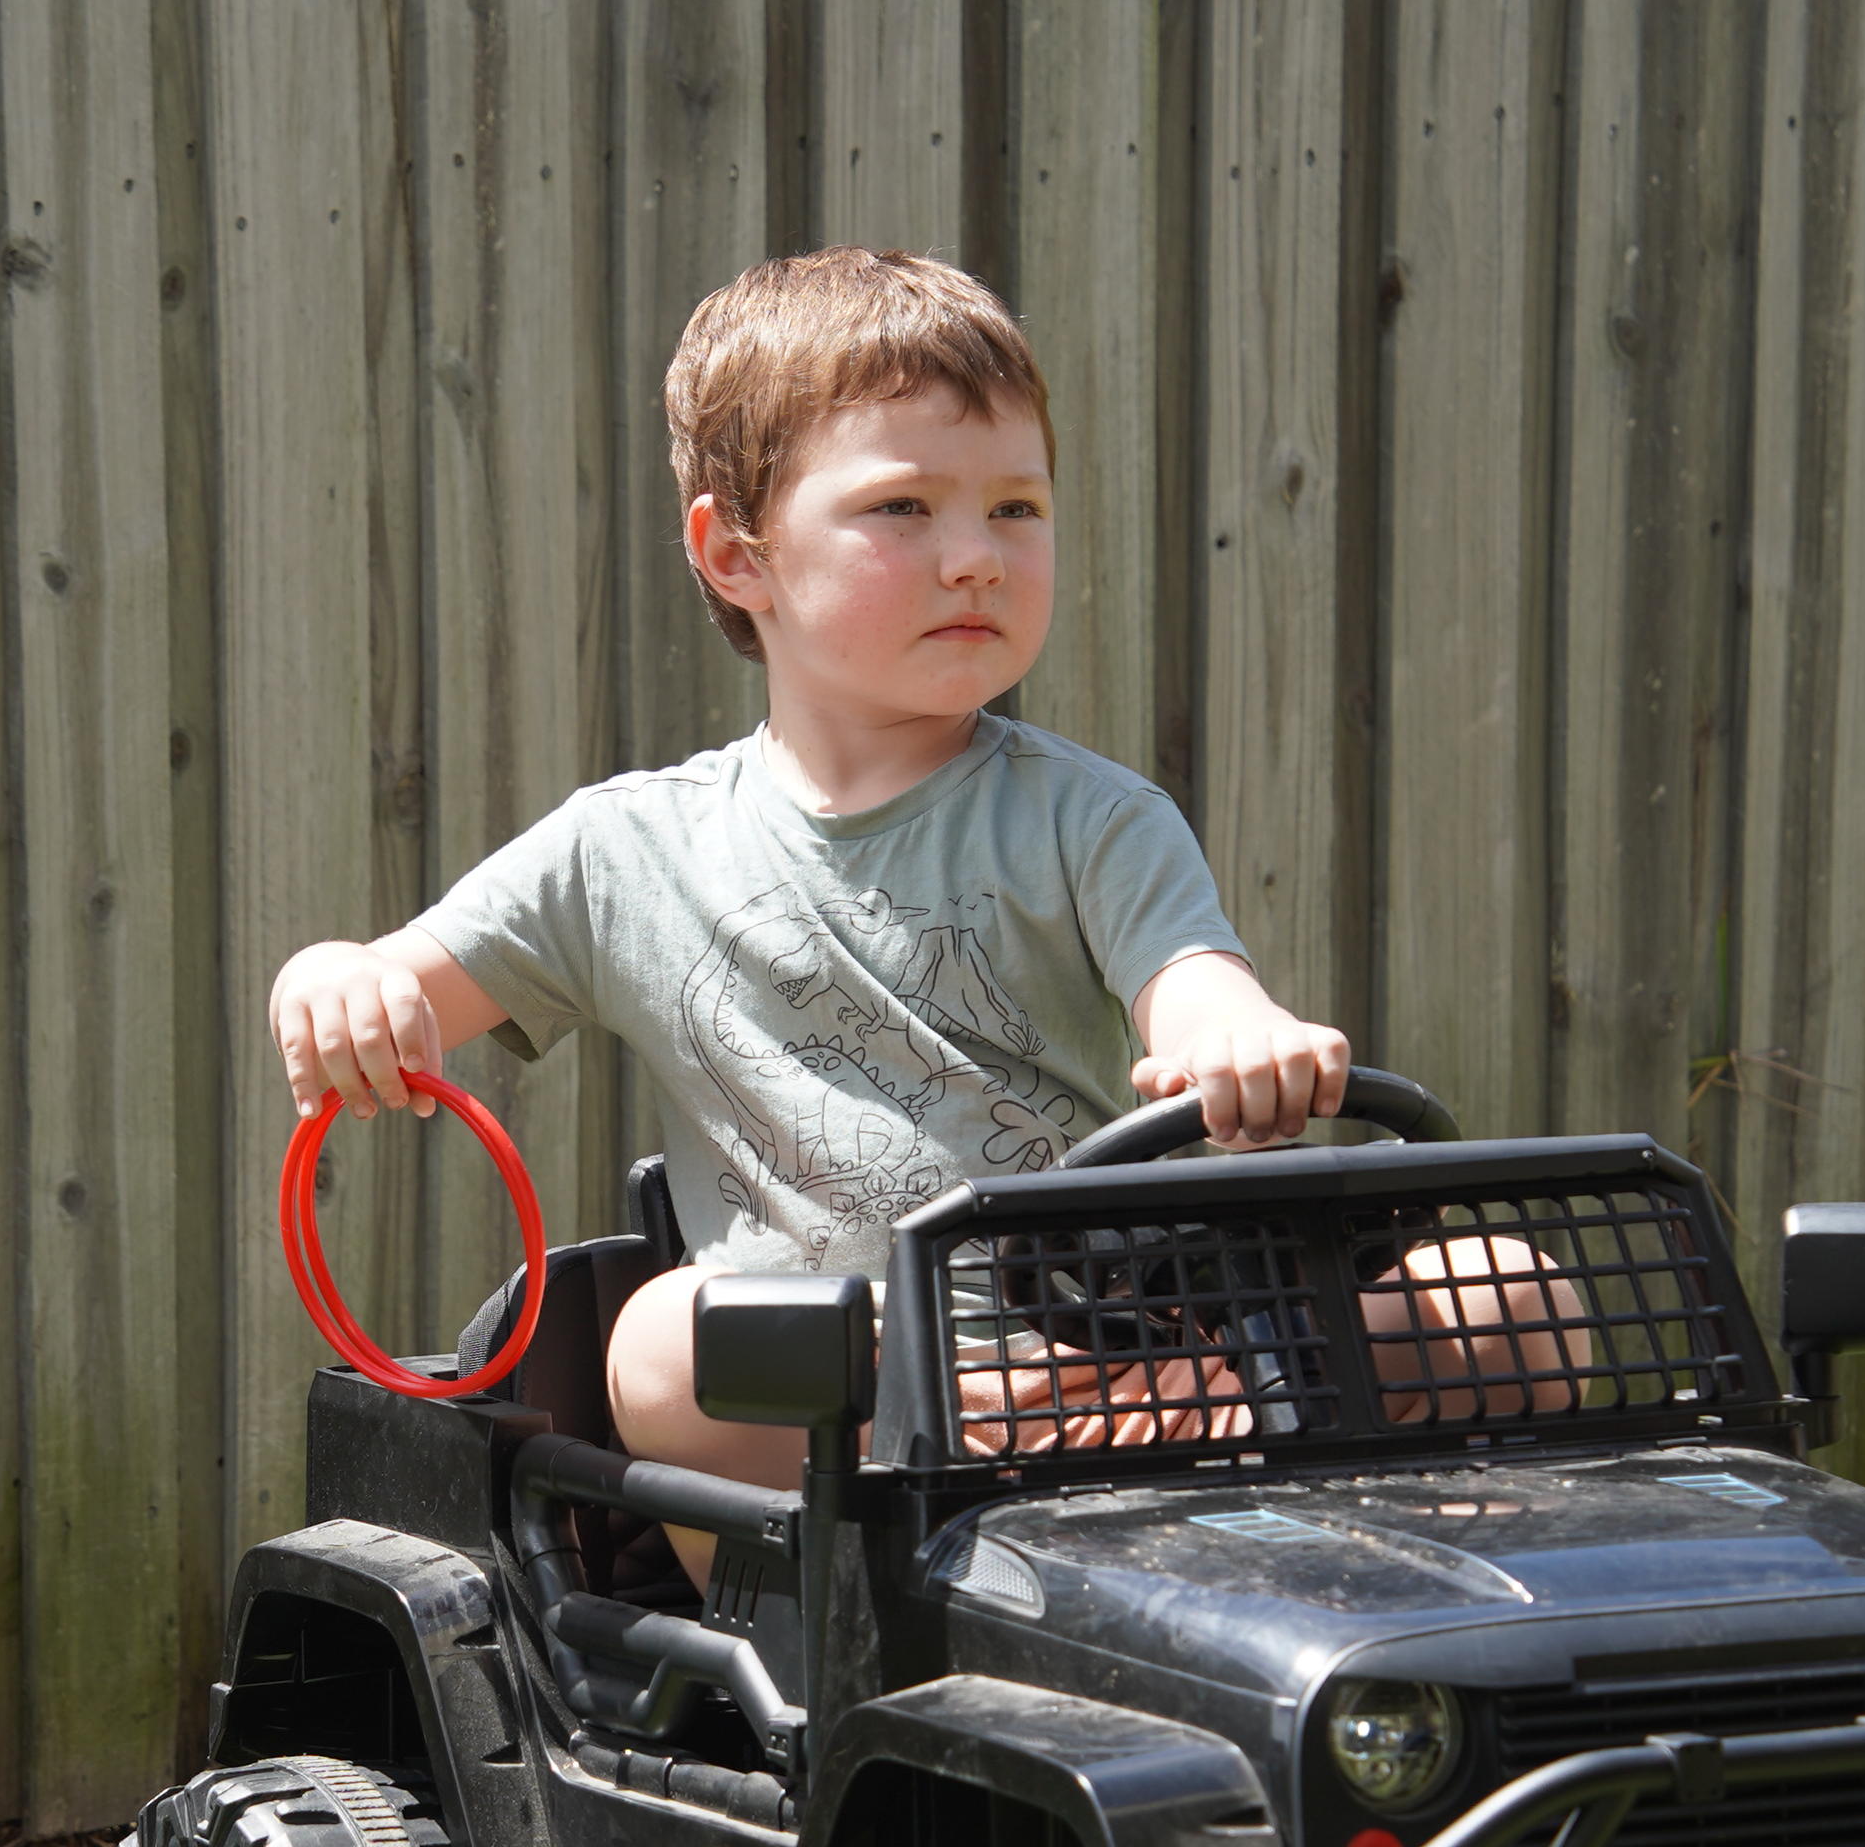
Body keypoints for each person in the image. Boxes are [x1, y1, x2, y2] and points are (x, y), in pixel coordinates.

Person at [263, 248, 1364, 1532]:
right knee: (664, 1339)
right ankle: (867, 1603)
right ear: (736, 555)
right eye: (901, 508)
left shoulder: (1090, 819)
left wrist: (1238, 1043)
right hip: (834, 1405)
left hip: (1100, 1331)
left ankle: (1267, 1507)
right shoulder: (627, 853)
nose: (975, 558)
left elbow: (1195, 991)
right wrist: (333, 984)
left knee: (1505, 1284)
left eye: (1016, 507)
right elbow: (394, 980)